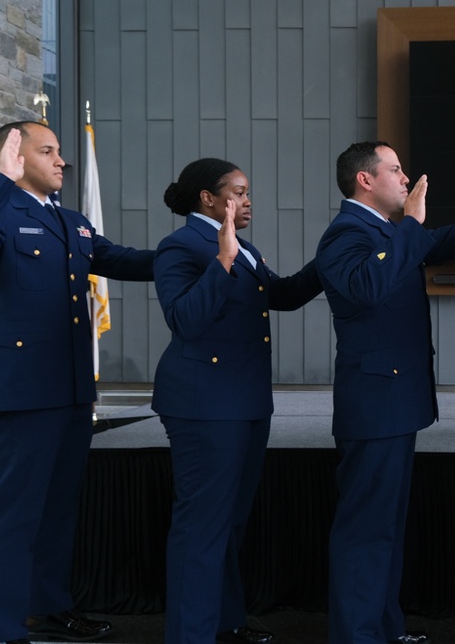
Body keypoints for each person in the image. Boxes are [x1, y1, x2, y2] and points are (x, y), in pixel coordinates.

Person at [316, 141, 455, 644]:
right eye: (395, 169)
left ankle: (383, 630)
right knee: (366, 531)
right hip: (374, 406)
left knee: (385, 529)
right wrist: (410, 225)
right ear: (365, 180)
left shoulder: (385, 231)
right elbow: (369, 286)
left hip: (394, 403)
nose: (406, 177)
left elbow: (443, 240)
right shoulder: (345, 234)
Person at [0, 122, 154, 644]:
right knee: (16, 511)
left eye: (61, 152)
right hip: (25, 390)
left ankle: (49, 609)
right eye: (46, 151)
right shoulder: (0, 211)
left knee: (56, 510)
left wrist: (196, 252)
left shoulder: (72, 222)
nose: (61, 161)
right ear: (14, 155)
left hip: (71, 388)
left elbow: (122, 260)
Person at [151, 158, 323, 644]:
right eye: (239, 192)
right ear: (208, 198)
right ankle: (190, 635)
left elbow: (282, 295)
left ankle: (224, 624)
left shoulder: (243, 248)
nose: (248, 201)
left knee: (229, 523)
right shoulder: (180, 246)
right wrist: (223, 261)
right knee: (202, 526)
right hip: (202, 404)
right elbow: (184, 319)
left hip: (245, 402)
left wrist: (326, 262)